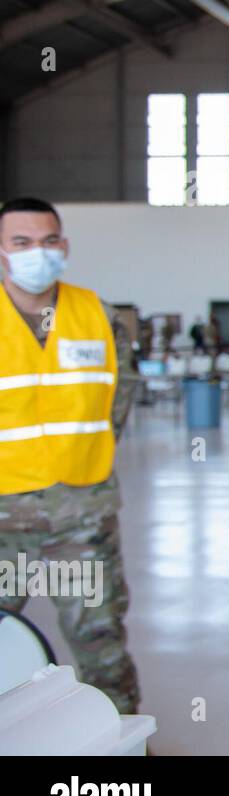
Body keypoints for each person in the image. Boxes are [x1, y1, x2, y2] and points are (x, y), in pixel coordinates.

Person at [0, 197, 140, 714]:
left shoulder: (94, 312)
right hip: (2, 519)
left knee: (100, 640)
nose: (38, 252)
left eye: (48, 240)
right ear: (1, 250)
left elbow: (119, 396)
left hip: (81, 512)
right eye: (21, 242)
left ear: (64, 245)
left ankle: (121, 746)